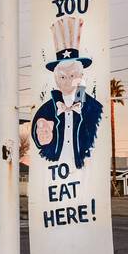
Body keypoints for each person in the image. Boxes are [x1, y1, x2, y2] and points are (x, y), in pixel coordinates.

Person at [31, 18, 102, 169]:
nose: (67, 81)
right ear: (56, 79)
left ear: (80, 76)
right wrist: (42, 138)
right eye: (62, 77)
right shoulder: (46, 110)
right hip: (54, 172)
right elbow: (38, 140)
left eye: (72, 76)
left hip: (85, 171)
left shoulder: (94, 108)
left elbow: (99, 138)